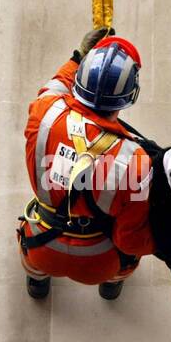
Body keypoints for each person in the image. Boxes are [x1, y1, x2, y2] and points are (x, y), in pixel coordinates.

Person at [17, 28, 154, 300]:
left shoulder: (44, 112)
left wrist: (79, 57)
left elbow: (54, 86)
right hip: (99, 264)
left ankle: (37, 281)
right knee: (129, 255)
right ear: (129, 98)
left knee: (33, 255)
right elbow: (131, 239)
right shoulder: (137, 162)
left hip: (41, 248)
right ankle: (111, 285)